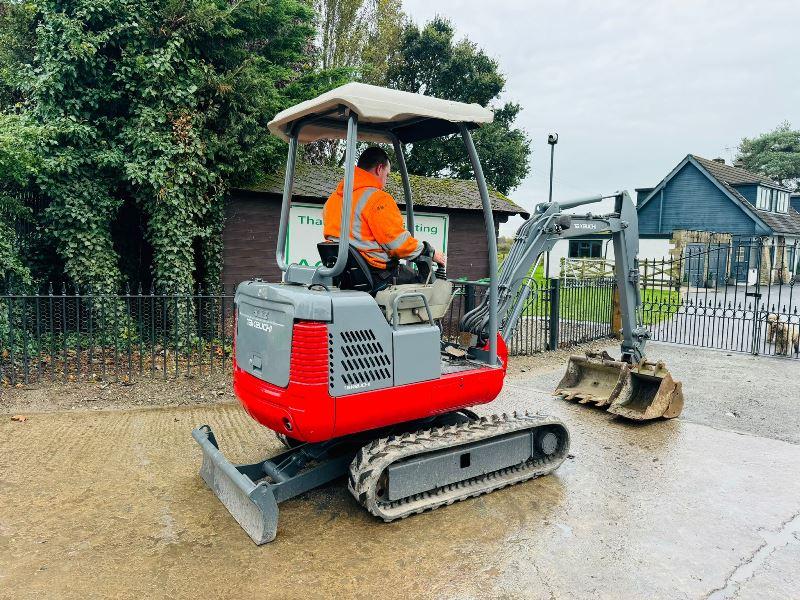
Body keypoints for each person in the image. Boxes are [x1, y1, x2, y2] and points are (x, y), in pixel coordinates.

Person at [323, 146, 446, 285]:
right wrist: (429, 252)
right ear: (379, 169)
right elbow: (398, 244)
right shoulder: (377, 199)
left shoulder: (333, 199)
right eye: (387, 175)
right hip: (377, 277)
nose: (385, 182)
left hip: (344, 277)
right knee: (428, 287)